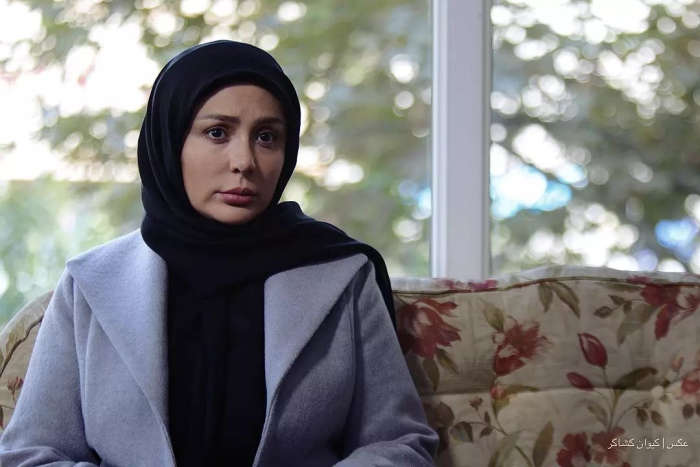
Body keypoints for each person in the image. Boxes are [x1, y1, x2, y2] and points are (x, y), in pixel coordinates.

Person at [0, 40, 438, 466]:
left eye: (266, 136)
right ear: (171, 141)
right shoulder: (89, 284)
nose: (244, 161)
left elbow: (399, 443)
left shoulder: (342, 273)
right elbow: (32, 454)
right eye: (217, 132)